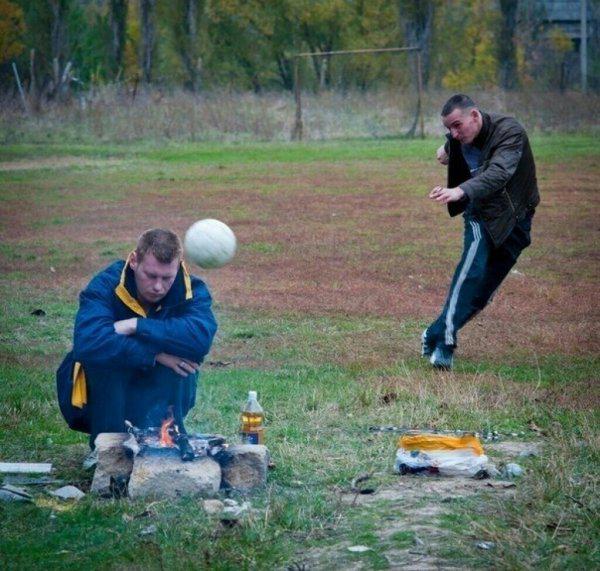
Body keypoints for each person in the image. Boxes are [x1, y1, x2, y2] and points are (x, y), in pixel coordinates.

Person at [57, 228, 217, 448]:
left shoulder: (192, 289)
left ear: (178, 267)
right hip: (95, 400)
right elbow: (87, 343)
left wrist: (136, 325)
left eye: (167, 278)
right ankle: (108, 451)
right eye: (151, 276)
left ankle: (166, 441)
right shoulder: (106, 285)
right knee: (106, 357)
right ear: (134, 261)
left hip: (158, 391)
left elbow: (200, 339)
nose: (158, 286)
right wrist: (154, 354)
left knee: (183, 354)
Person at [423, 94, 539, 370]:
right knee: (471, 272)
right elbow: (455, 144)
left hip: (516, 219)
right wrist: (447, 147)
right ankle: (446, 345)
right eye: (448, 129)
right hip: (480, 214)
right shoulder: (459, 137)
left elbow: (499, 172)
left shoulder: (511, 132)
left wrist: (460, 189)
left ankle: (434, 332)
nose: (454, 133)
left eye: (457, 125)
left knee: (482, 293)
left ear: (475, 115)